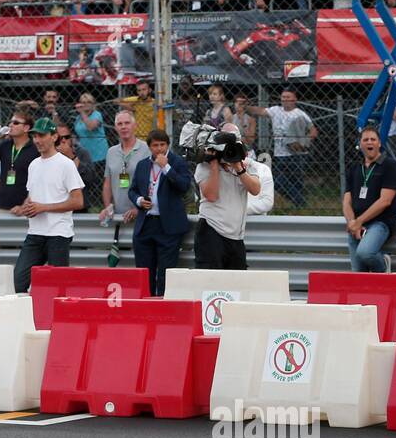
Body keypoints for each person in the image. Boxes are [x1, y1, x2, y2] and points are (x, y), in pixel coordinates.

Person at [11, 119, 85, 293]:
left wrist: (42, 207)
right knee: (18, 282)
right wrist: (25, 208)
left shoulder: (66, 164)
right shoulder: (34, 164)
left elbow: (78, 201)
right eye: (35, 136)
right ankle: (25, 318)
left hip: (58, 234)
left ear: (54, 137)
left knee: (59, 286)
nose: (37, 140)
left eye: (42, 135)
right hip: (35, 232)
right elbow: (33, 196)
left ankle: (58, 320)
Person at [129, 128, 191, 297]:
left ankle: (163, 306)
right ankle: (145, 305)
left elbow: (184, 186)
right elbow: (132, 190)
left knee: (165, 273)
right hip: (146, 224)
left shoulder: (177, 162)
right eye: (155, 145)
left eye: (162, 145)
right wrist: (139, 201)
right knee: (144, 271)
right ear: (149, 147)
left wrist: (166, 168)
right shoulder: (142, 165)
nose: (159, 149)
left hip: (168, 226)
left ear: (168, 145)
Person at [194, 123, 261, 271]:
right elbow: (211, 195)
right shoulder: (204, 165)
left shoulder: (247, 164)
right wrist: (214, 165)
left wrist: (238, 167)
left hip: (236, 236)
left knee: (236, 283)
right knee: (211, 281)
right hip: (211, 230)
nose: (229, 147)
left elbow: (255, 189)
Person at [342, 126, 396, 274]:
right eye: (365, 140)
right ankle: (364, 296)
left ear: (379, 143)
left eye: (373, 139)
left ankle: (383, 267)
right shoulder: (354, 167)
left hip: (379, 223)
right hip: (356, 224)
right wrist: (352, 223)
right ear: (360, 144)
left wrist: (359, 221)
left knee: (365, 253)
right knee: (358, 270)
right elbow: (346, 200)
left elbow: (385, 201)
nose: (369, 142)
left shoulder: (390, 165)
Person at [247, 90, 317, 209]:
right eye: (283, 97)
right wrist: (246, 106)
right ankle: (299, 202)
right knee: (278, 182)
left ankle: (299, 207)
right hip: (280, 154)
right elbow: (260, 111)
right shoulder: (275, 110)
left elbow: (313, 131)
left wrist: (303, 143)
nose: (284, 99)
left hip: (296, 154)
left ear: (294, 99)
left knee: (297, 182)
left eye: (288, 97)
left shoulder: (299, 114)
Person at [0, 103, 38, 213]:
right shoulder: (5, 145)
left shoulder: (35, 148)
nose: (11, 125)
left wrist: (25, 205)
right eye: (10, 122)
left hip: (25, 206)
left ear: (26, 128)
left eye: (15, 123)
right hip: (3, 204)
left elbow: (38, 181)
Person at [100, 109, 149, 230]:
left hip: (142, 213)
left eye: (127, 123)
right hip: (118, 215)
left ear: (134, 126)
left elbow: (152, 183)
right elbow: (107, 183)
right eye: (119, 124)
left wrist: (139, 208)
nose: (123, 127)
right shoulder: (111, 152)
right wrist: (108, 207)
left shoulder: (146, 149)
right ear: (115, 128)